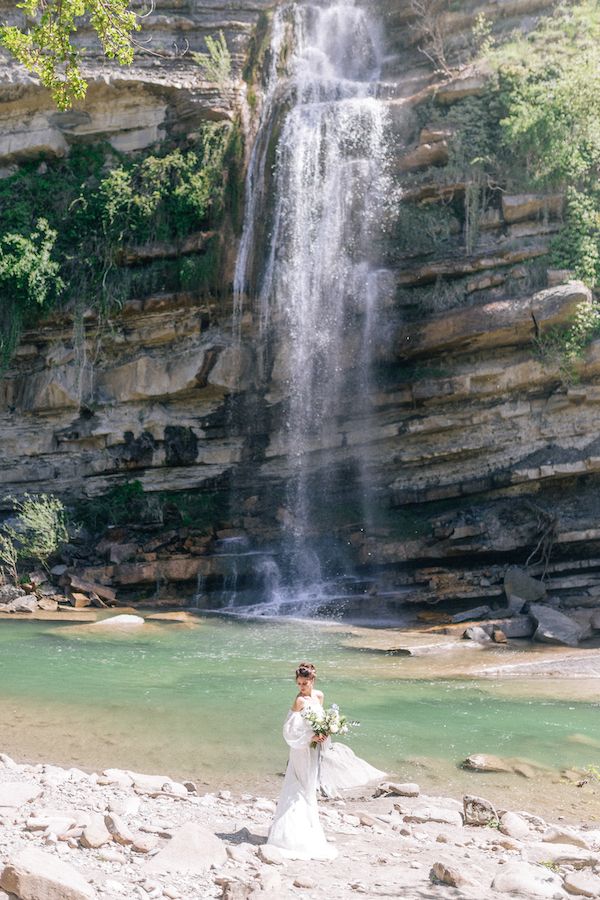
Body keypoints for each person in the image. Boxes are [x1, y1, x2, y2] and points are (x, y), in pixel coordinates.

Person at [266, 661, 384, 859]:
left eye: (304, 683)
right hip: (300, 749)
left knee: (310, 786)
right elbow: (289, 730)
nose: (301, 688)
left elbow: (320, 722)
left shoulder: (319, 696)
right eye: (298, 684)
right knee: (298, 785)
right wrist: (309, 738)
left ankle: (308, 829)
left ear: (312, 680)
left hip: (314, 750)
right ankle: (288, 836)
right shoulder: (299, 701)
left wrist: (325, 733)